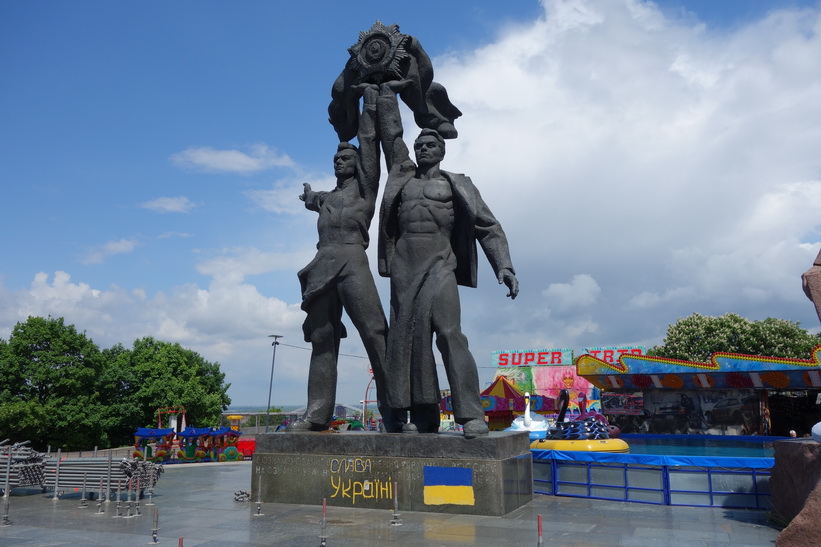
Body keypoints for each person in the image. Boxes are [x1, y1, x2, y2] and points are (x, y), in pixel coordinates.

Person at [376, 81, 519, 439]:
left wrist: (503, 265)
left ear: (441, 150)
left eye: (430, 145)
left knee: (450, 334)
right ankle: (424, 416)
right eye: (419, 145)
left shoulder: (458, 184)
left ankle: (470, 414)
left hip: (441, 265)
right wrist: (387, 95)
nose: (423, 149)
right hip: (405, 269)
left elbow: (488, 225)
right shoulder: (402, 178)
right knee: (408, 342)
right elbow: (391, 136)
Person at [289, 83, 402, 433]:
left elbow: (369, 147)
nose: (340, 161)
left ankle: (395, 413)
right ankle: (317, 414)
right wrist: (309, 196)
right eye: (336, 159)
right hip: (323, 266)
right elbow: (312, 200)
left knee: (375, 332)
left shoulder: (365, 192)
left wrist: (370, 101)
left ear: (357, 165)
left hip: (354, 263)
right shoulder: (326, 199)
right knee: (323, 339)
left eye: (346, 158)